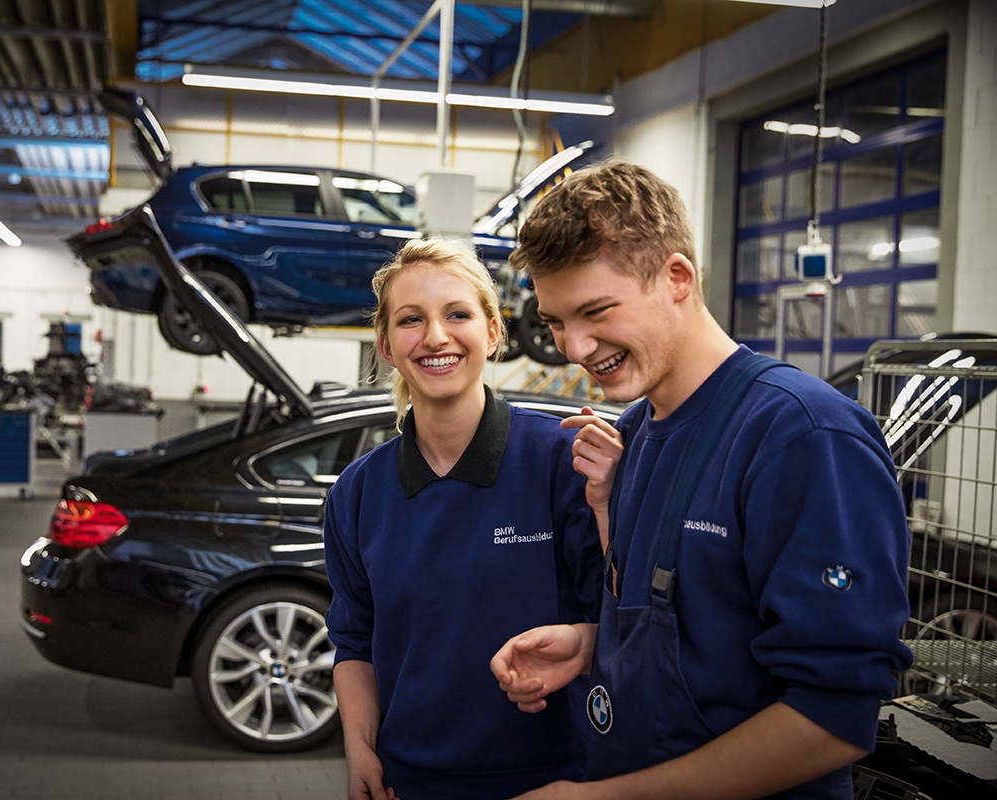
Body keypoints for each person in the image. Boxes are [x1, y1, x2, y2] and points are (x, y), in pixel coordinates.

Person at [490, 160, 913, 800]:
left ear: (677, 277)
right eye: (554, 321)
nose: (574, 347)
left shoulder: (800, 436)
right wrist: (591, 642)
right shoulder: (632, 437)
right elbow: (701, 631)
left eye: (596, 310)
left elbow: (834, 719)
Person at [323, 238, 613, 800]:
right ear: (385, 345)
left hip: (555, 781)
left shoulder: (563, 463)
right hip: (409, 783)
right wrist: (360, 749)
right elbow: (355, 643)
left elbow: (620, 620)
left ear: (493, 332)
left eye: (458, 314)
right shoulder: (358, 492)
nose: (435, 336)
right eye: (411, 320)